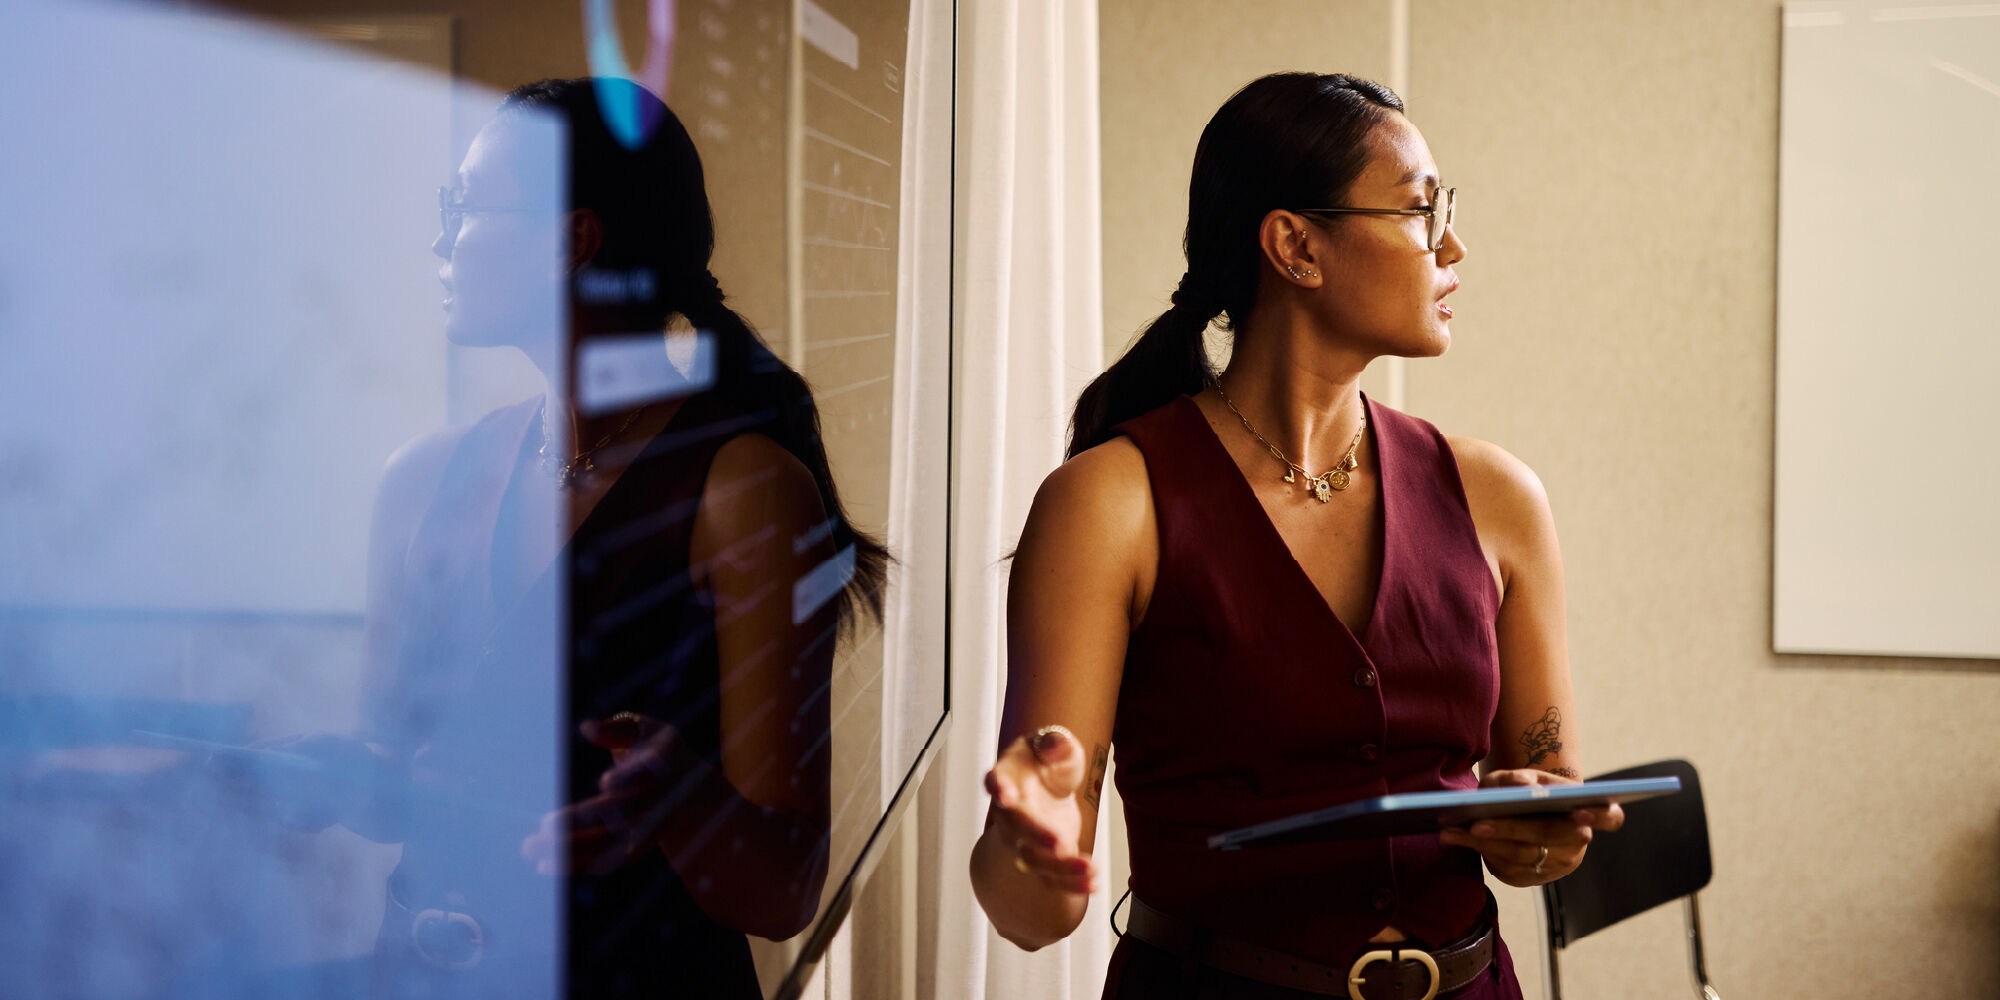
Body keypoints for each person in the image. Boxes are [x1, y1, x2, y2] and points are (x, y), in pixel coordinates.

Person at [969, 72, 1623, 1000]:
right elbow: (1031, 912)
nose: (1455, 244)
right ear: (1296, 247)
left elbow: (1542, 830)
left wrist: (1543, 836)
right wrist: (1027, 852)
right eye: (1420, 211)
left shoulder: (1501, 499)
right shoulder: (1107, 504)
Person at [259, 77, 886, 998]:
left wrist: (682, 800)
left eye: (462, 207)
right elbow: (393, 777)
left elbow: (785, 887)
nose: (440, 240)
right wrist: (313, 775)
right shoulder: (420, 481)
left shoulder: (743, 495)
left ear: (570, 240)